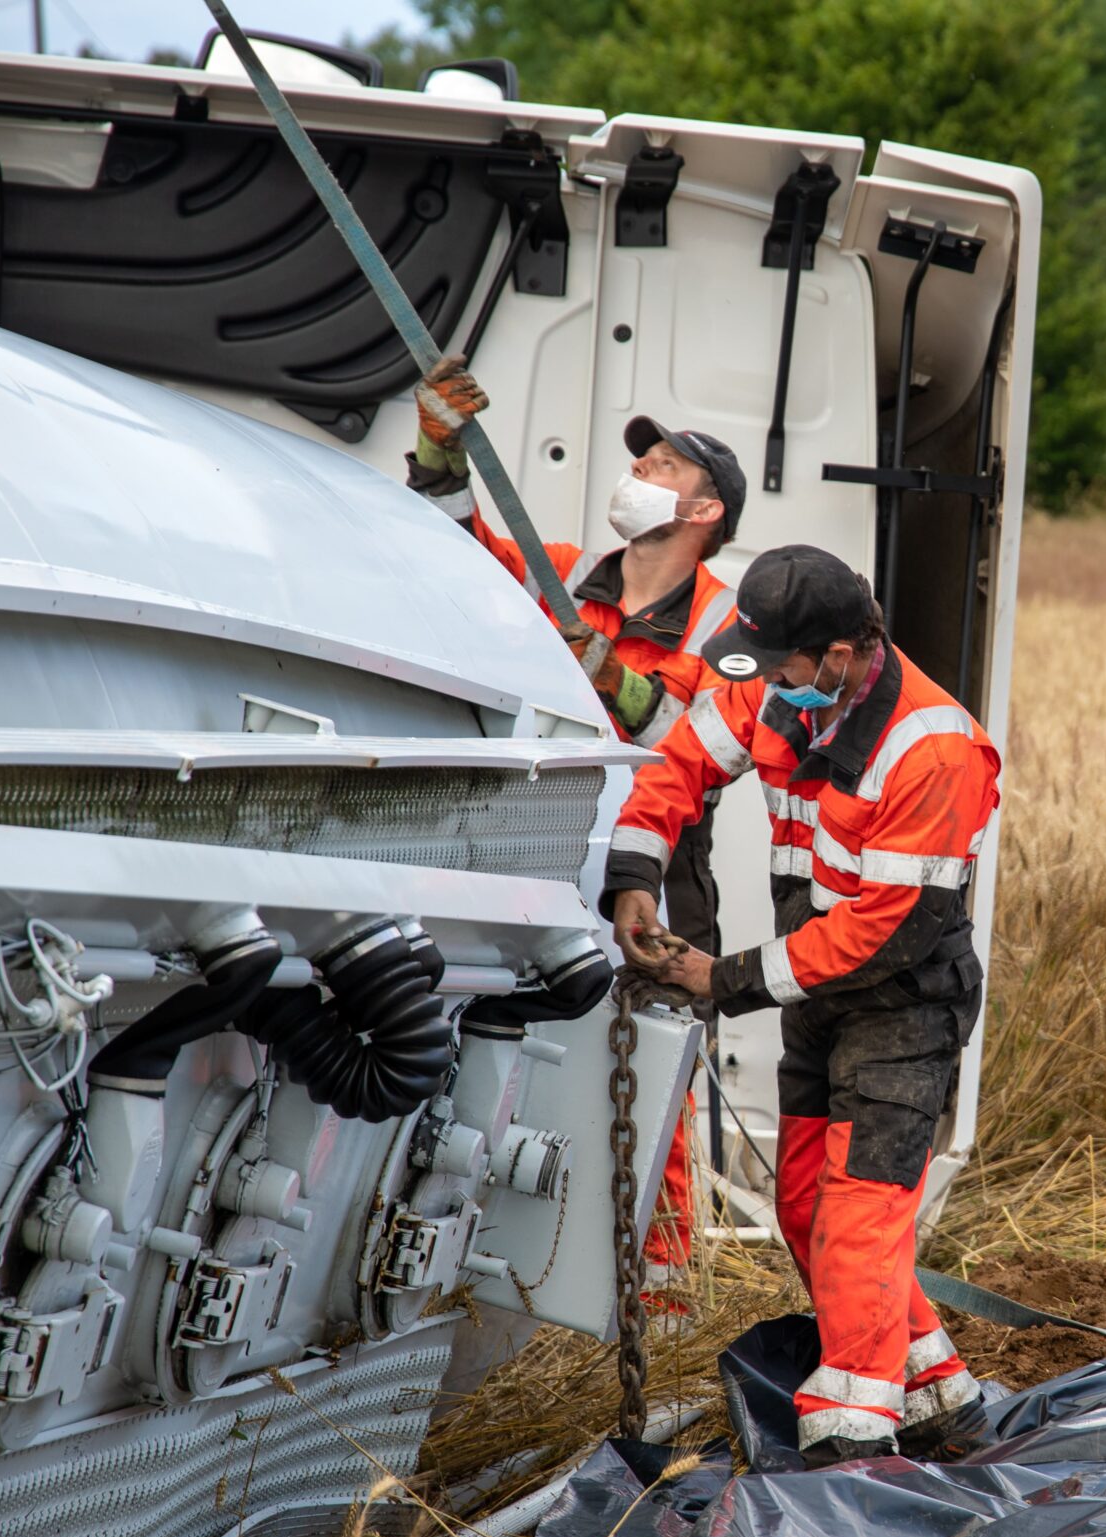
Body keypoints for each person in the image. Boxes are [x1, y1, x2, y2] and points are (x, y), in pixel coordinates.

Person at [603, 544, 1000, 1466]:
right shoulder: (778, 688)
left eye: (783, 662)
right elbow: (678, 767)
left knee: (859, 1215)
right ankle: (939, 1394)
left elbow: (881, 933)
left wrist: (723, 977)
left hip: (906, 1005)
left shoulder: (934, 748)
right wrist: (634, 876)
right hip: (820, 997)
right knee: (803, 1204)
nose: (768, 683)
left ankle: (852, 1449)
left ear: (840, 654)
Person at [407, 356, 743, 1285]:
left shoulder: (728, 625)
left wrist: (619, 681)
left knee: (650, 1086)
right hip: (538, 856)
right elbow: (452, 552)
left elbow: (704, 735)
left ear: (707, 512)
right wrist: (438, 448)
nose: (640, 477)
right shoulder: (560, 575)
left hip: (654, 878)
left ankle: (663, 1301)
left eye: (665, 468)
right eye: (643, 464)